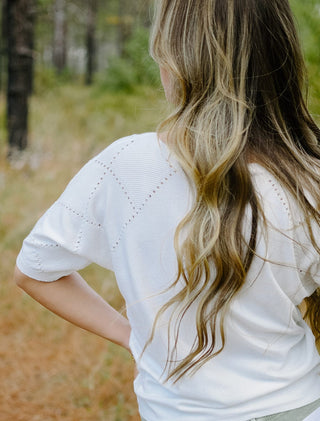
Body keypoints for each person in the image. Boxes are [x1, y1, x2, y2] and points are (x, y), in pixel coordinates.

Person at [14, 0, 320, 420]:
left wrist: (131, 337)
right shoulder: (307, 179)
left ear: (173, 60)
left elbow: (34, 270)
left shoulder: (124, 166)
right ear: (282, 56)